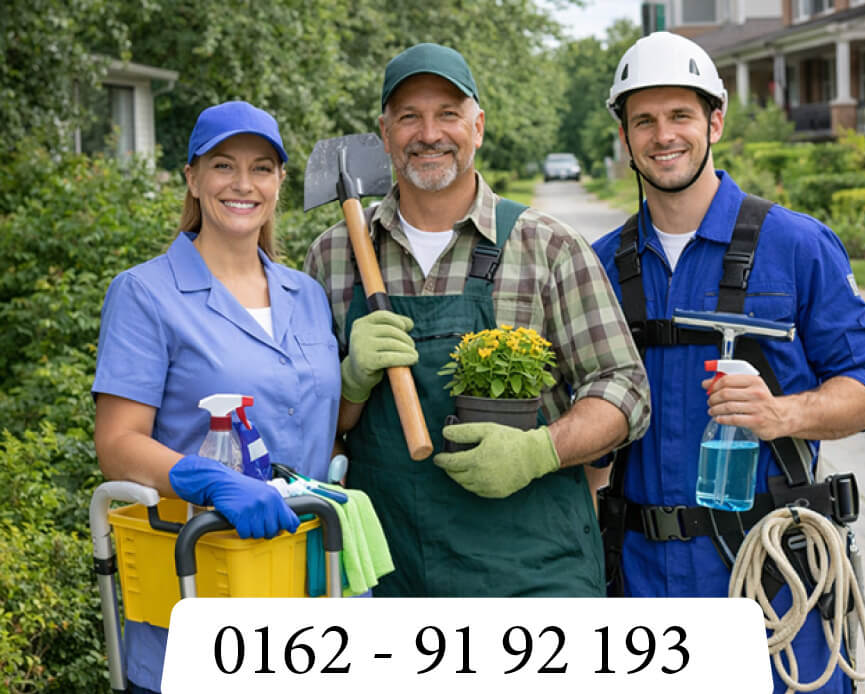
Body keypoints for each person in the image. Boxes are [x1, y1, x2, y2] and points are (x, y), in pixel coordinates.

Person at [592, 32, 865, 693]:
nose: (662, 135)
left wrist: (783, 412)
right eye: (642, 119)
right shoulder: (597, 265)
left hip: (772, 581)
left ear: (714, 121)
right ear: (624, 134)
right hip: (639, 583)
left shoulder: (796, 245)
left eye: (679, 115)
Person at [303, 42, 650, 597]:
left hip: (532, 576)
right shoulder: (334, 255)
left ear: (478, 126)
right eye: (409, 116)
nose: (429, 133)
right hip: (388, 578)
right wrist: (347, 382)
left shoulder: (547, 246)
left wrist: (542, 450)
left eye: (448, 114)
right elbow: (307, 423)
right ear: (384, 132)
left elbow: (626, 389)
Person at [93, 101, 341, 693]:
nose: (243, 184)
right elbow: (118, 444)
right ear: (193, 179)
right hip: (201, 589)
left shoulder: (305, 293)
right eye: (223, 165)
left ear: (279, 181)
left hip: (310, 602)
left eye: (261, 168)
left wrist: (357, 382)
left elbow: (321, 419)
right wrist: (208, 480)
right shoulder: (145, 294)